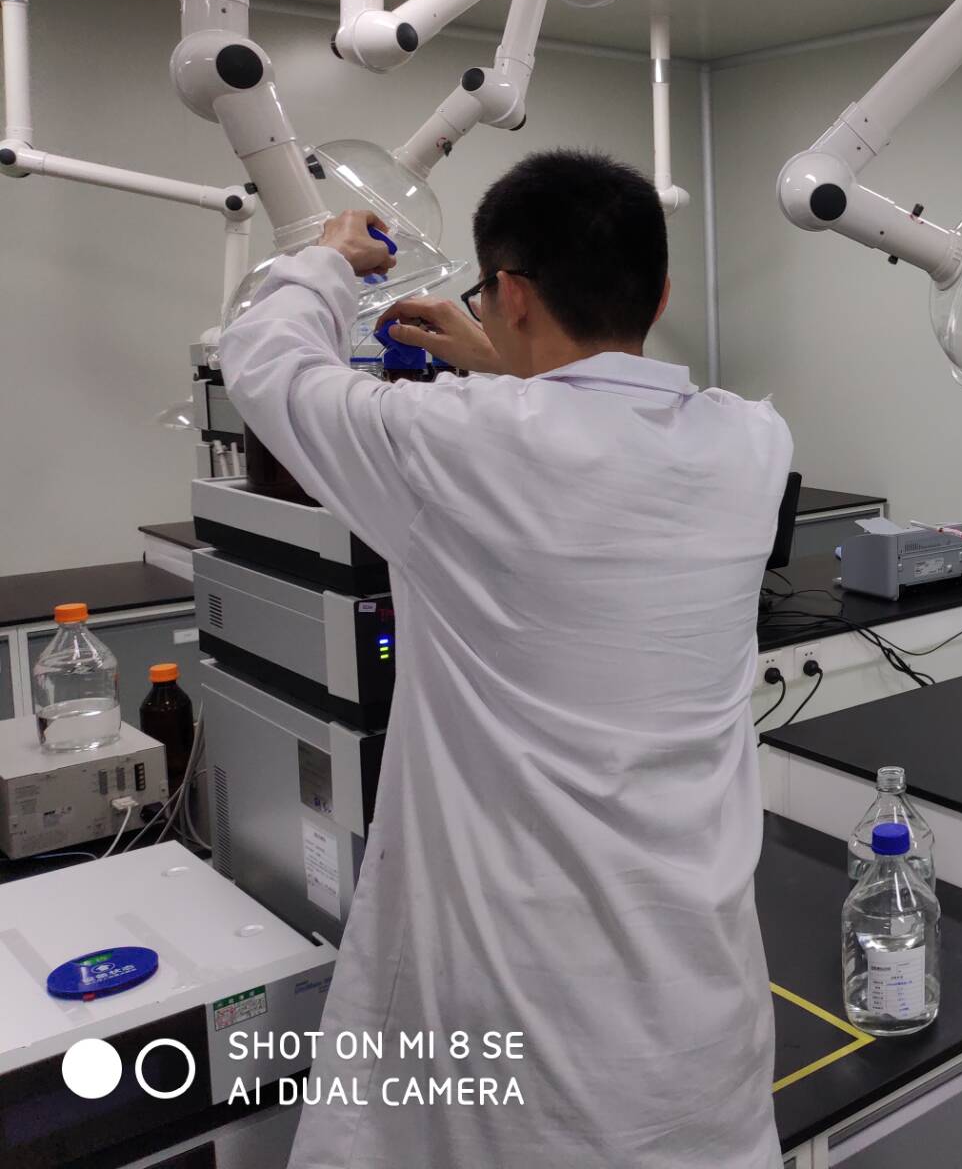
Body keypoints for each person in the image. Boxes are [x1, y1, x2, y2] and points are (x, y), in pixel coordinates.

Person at [219, 149, 792, 1168]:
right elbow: (603, 431)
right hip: (701, 1034)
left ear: (513, 294)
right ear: (660, 295)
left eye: (491, 295)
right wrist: (504, 358)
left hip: (523, 1047)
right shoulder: (754, 444)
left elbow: (268, 364)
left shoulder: (452, 447)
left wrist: (327, 259)